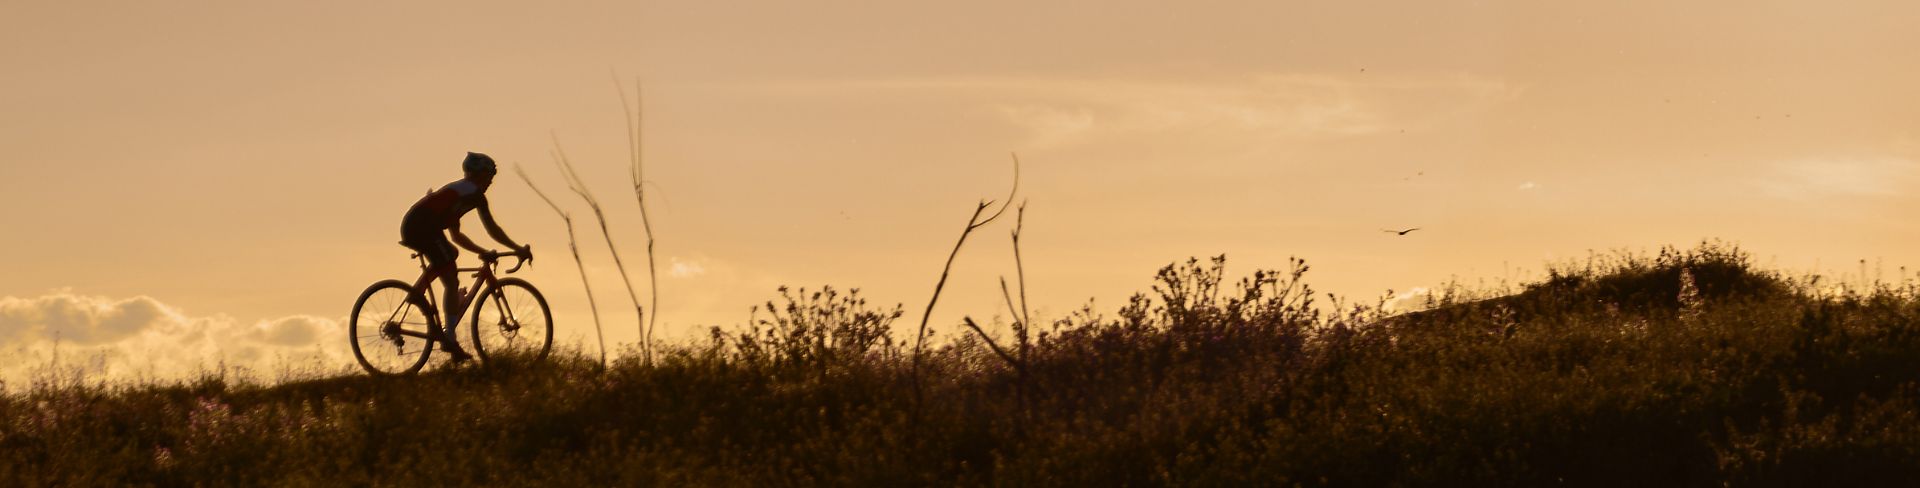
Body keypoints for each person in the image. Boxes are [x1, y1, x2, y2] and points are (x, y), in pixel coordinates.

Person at [400, 152, 530, 361]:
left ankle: (418, 293)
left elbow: (456, 236)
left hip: (419, 225)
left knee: (451, 254)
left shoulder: (459, 195)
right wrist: (517, 249)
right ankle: (449, 338)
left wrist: (482, 252)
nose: (491, 182)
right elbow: (492, 229)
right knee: (451, 278)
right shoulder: (472, 193)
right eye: (489, 176)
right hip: (422, 226)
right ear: (479, 175)